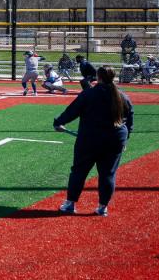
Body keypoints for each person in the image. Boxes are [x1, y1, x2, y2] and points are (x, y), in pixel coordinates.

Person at [54, 65, 133, 217]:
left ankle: (70, 204)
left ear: (99, 77)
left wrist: (58, 122)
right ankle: (102, 208)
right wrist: (125, 139)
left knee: (79, 171)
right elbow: (130, 120)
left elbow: (72, 111)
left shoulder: (89, 94)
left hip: (89, 139)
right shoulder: (122, 96)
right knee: (108, 174)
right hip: (115, 139)